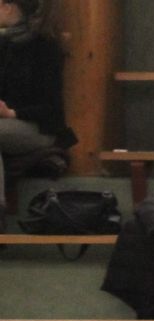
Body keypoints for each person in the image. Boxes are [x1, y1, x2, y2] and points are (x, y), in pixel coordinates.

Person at [0, 0, 74, 220]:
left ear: (8, 7)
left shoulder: (44, 46)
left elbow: (51, 108)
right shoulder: (4, 45)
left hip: (39, 127)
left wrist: (12, 113)